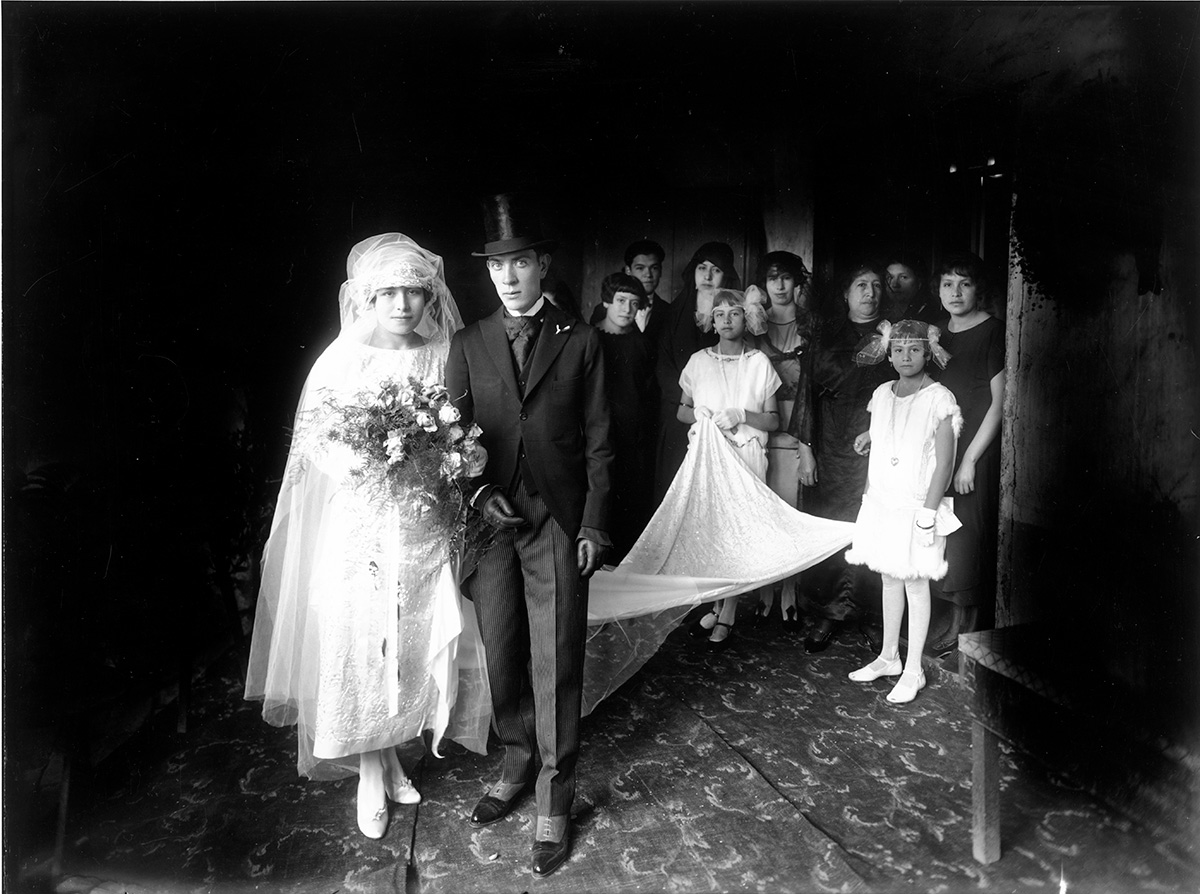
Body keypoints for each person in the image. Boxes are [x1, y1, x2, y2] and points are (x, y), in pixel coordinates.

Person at [245, 233, 491, 840]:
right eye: (389, 293)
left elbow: (464, 423)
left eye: (413, 291)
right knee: (359, 641)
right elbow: (314, 444)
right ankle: (371, 773)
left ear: (429, 297)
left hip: (422, 521)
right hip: (360, 523)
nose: (403, 304)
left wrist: (444, 457)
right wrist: (366, 461)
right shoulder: (340, 360)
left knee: (410, 639)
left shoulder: (443, 354)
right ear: (366, 299)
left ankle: (391, 752)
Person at [445, 193, 613, 879]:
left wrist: (595, 523)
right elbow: (452, 439)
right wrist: (479, 493)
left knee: (557, 659)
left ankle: (554, 797)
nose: (509, 277)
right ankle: (515, 760)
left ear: (542, 265)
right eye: (497, 267)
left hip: (557, 523)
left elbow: (603, 443)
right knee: (505, 652)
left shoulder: (583, 341)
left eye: (520, 263)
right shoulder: (467, 343)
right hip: (492, 526)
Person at [844, 320, 962, 703]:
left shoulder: (940, 398)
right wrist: (868, 436)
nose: (905, 357)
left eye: (914, 350)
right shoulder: (881, 393)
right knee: (889, 579)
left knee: (914, 581)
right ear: (888, 353)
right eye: (898, 349)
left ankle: (914, 671)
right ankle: (888, 656)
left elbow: (944, 462)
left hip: (916, 504)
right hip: (882, 499)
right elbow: (887, 431)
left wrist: (928, 512)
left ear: (928, 353)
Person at [677, 287, 780, 649]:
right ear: (710, 320)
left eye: (734, 313)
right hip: (709, 455)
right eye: (718, 314)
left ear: (747, 318)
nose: (726, 320)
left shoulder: (759, 364)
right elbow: (682, 410)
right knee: (712, 533)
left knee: (737, 533)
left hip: (746, 455)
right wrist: (699, 413)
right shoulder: (698, 361)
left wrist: (742, 415)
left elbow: (772, 420)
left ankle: (729, 611)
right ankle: (717, 603)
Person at [802, 261, 896, 652]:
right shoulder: (828, 337)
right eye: (861, 284)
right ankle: (829, 613)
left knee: (876, 530)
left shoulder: (894, 338)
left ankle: (870, 615)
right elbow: (807, 397)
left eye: (876, 285)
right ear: (846, 294)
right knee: (836, 527)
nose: (870, 293)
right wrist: (807, 451)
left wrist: (881, 432)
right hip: (835, 448)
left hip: (883, 448)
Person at [926, 251, 1006, 653]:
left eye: (965, 283)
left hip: (974, 450)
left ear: (979, 289)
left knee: (968, 538)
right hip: (943, 451)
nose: (955, 292)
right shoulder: (935, 335)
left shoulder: (993, 330)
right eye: (947, 284)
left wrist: (971, 458)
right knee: (939, 533)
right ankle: (942, 620)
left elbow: (999, 403)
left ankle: (964, 628)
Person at [746, 251, 818, 631]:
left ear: (797, 282)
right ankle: (764, 592)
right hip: (760, 428)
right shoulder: (752, 323)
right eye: (772, 277)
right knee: (762, 514)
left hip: (797, 427)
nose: (779, 285)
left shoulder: (810, 324)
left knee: (791, 515)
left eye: (787, 278)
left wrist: (807, 443)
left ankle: (790, 590)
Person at [653, 241, 741, 505]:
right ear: (693, 272)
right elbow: (663, 366)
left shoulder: (733, 318)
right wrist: (689, 404)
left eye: (716, 270)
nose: (707, 275)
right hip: (679, 414)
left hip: (720, 418)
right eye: (702, 268)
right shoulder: (671, 315)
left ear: (726, 276)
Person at [594, 271, 657, 561]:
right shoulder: (589, 338)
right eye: (620, 301)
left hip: (632, 440)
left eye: (634, 303)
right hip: (597, 436)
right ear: (607, 301)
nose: (627, 310)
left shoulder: (642, 343)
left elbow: (648, 394)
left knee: (630, 504)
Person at [589, 239, 669, 348]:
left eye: (654, 268)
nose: (648, 274)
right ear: (628, 270)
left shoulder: (670, 311)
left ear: (661, 271)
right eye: (640, 268)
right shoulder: (603, 310)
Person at [882, 251, 940, 323]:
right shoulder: (880, 313)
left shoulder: (931, 315)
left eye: (903, 277)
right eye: (889, 277)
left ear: (919, 281)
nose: (895, 284)